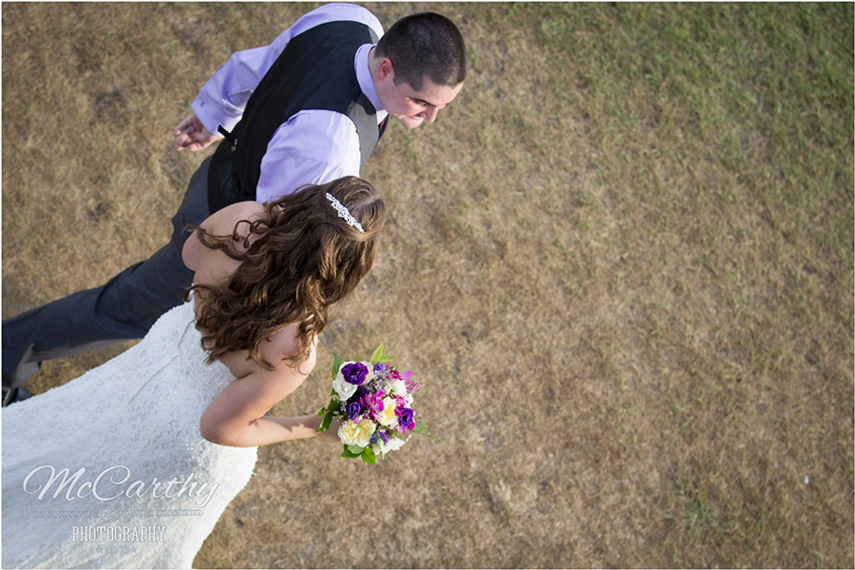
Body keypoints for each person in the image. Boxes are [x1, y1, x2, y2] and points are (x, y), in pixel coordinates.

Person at [2, 3, 466, 404]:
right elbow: (269, 230)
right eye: (421, 103)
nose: (429, 119)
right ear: (386, 68)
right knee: (121, 308)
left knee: (139, 311)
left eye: (441, 107)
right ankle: (7, 355)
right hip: (217, 234)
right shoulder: (328, 145)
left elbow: (254, 66)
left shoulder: (350, 19)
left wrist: (211, 114)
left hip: (218, 176)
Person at [2, 176, 386, 568]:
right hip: (180, 442)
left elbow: (188, 255)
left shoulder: (242, 219)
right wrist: (315, 425)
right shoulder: (294, 348)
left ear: (307, 202)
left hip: (160, 361)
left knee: (79, 433)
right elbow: (220, 429)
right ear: (349, 264)